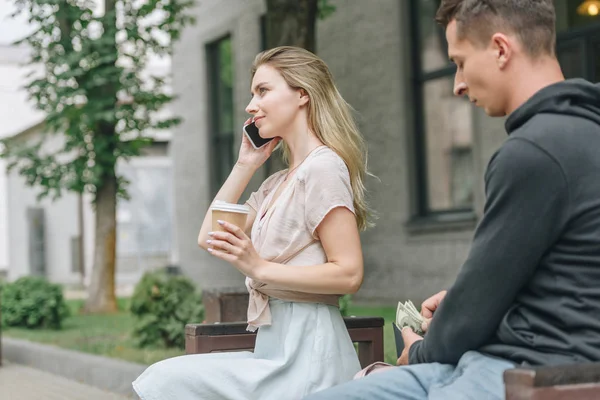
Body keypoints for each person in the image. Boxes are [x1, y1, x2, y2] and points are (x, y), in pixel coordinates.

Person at [305, 0, 600, 399]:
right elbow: (564, 272)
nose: (457, 84)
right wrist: (461, 304)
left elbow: (473, 313)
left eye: (460, 62)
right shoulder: (578, 134)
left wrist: (418, 350)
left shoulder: (534, 152)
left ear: (500, 49)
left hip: (529, 372)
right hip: (517, 356)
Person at [132, 46, 373, 400]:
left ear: (302, 94)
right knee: (161, 380)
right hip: (274, 348)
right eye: (252, 93)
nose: (250, 105)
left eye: (263, 90)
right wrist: (245, 164)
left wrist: (259, 267)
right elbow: (210, 236)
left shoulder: (323, 167)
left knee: (163, 382)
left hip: (309, 354)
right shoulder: (277, 183)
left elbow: (349, 274)